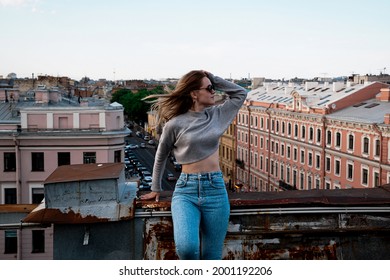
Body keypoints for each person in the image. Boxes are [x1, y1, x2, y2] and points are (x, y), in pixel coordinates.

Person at [140, 70, 247, 260]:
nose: (213, 92)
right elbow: (161, 155)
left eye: (213, 88)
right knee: (187, 248)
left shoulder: (218, 114)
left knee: (212, 255)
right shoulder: (175, 124)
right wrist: (155, 188)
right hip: (185, 192)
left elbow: (240, 93)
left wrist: (213, 79)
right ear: (193, 93)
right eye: (209, 88)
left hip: (215, 190)